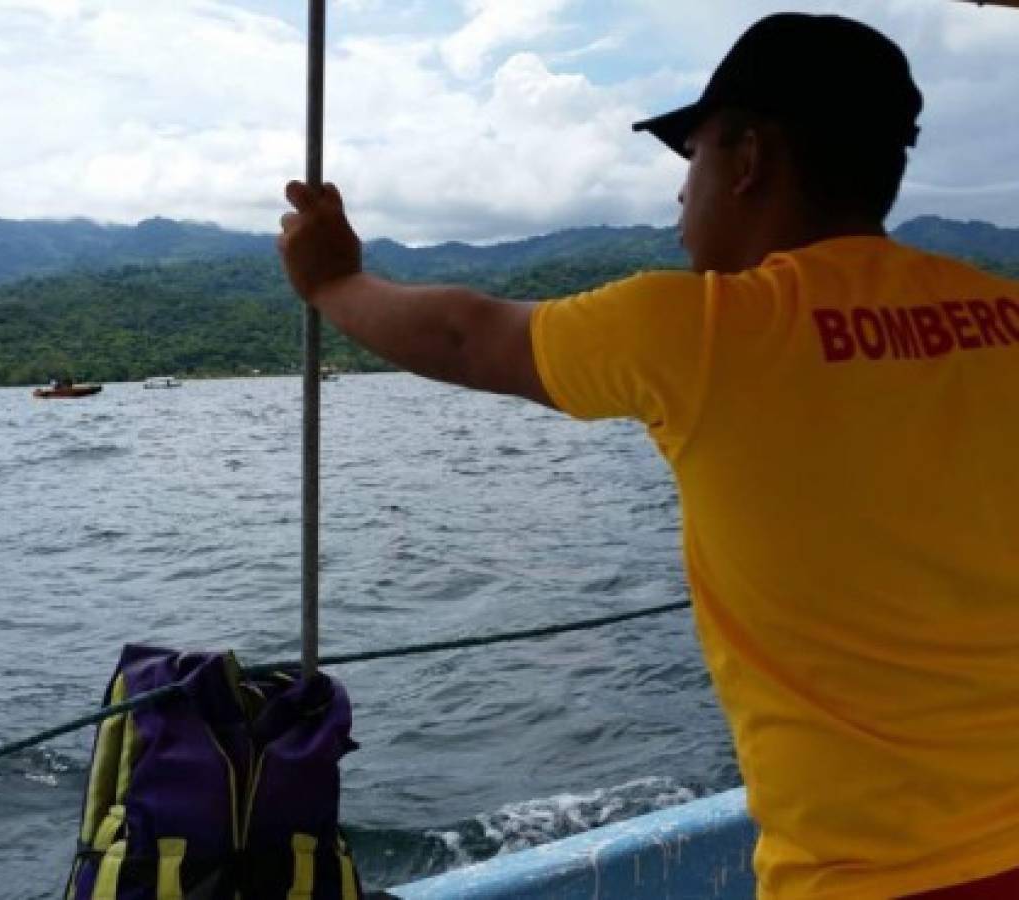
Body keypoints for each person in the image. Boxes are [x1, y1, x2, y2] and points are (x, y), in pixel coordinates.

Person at [277, 12, 1019, 900]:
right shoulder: (1005, 313)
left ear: (749, 160)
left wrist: (333, 281)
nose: (679, 198)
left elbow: (464, 336)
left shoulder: (705, 331)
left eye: (691, 156)